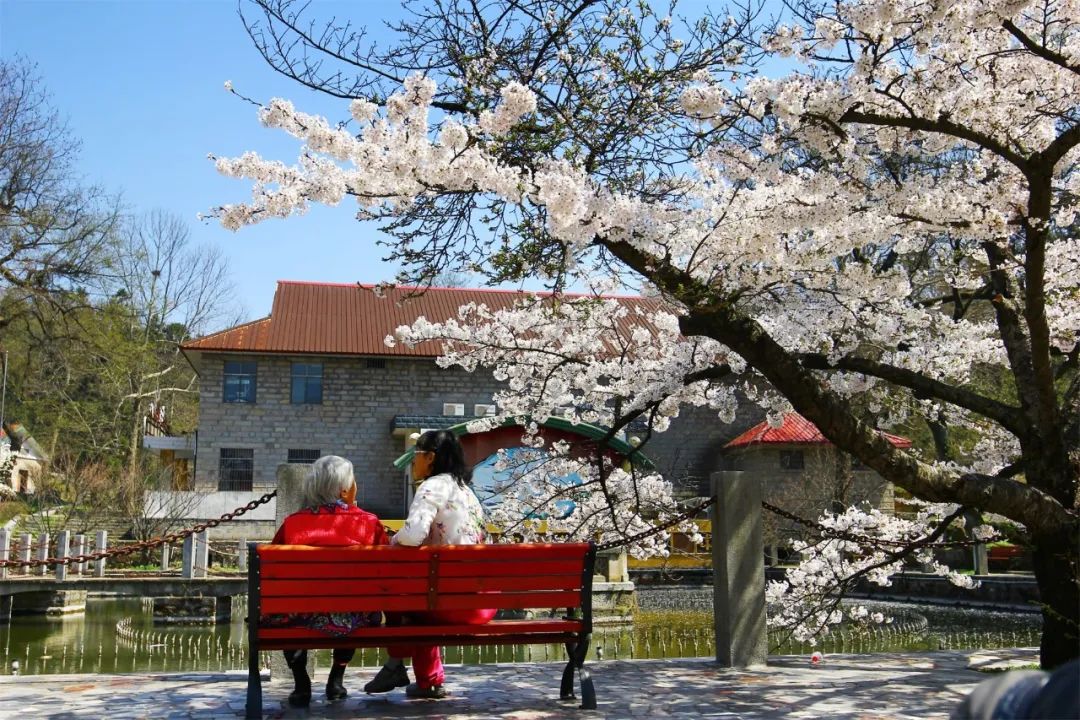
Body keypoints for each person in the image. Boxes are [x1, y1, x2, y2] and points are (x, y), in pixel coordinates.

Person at [363, 429, 494, 699]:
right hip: (482, 602)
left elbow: (413, 535)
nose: (412, 462)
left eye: (416, 455)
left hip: (453, 605)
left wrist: (393, 540)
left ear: (431, 458)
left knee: (402, 597)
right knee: (422, 599)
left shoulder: (433, 486)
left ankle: (397, 665)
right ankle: (424, 679)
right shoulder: (465, 491)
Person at [269, 455, 389, 707]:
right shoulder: (368, 523)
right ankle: (335, 679)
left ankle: (302, 684)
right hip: (356, 616)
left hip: (299, 615)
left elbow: (274, 571)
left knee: (285, 613)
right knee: (355, 604)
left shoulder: (293, 523)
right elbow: (386, 570)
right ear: (345, 489)